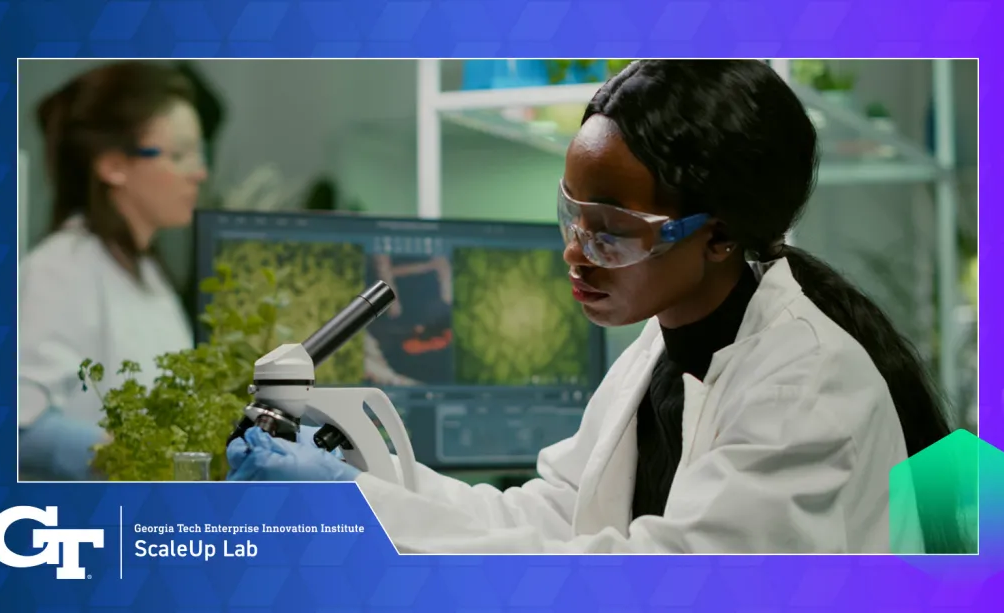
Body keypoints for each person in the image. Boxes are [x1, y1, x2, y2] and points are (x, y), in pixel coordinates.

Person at [226, 60, 964, 554]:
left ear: (717, 236)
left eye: (610, 230)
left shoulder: (807, 385)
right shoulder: (665, 348)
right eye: (571, 215)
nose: (576, 251)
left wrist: (363, 511)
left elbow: (649, 579)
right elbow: (554, 514)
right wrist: (366, 478)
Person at [19, 61, 206, 480]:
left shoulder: (147, 272)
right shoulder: (60, 269)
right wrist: (128, 456)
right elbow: (18, 428)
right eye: (178, 155)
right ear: (113, 165)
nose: (199, 173)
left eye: (199, 153)